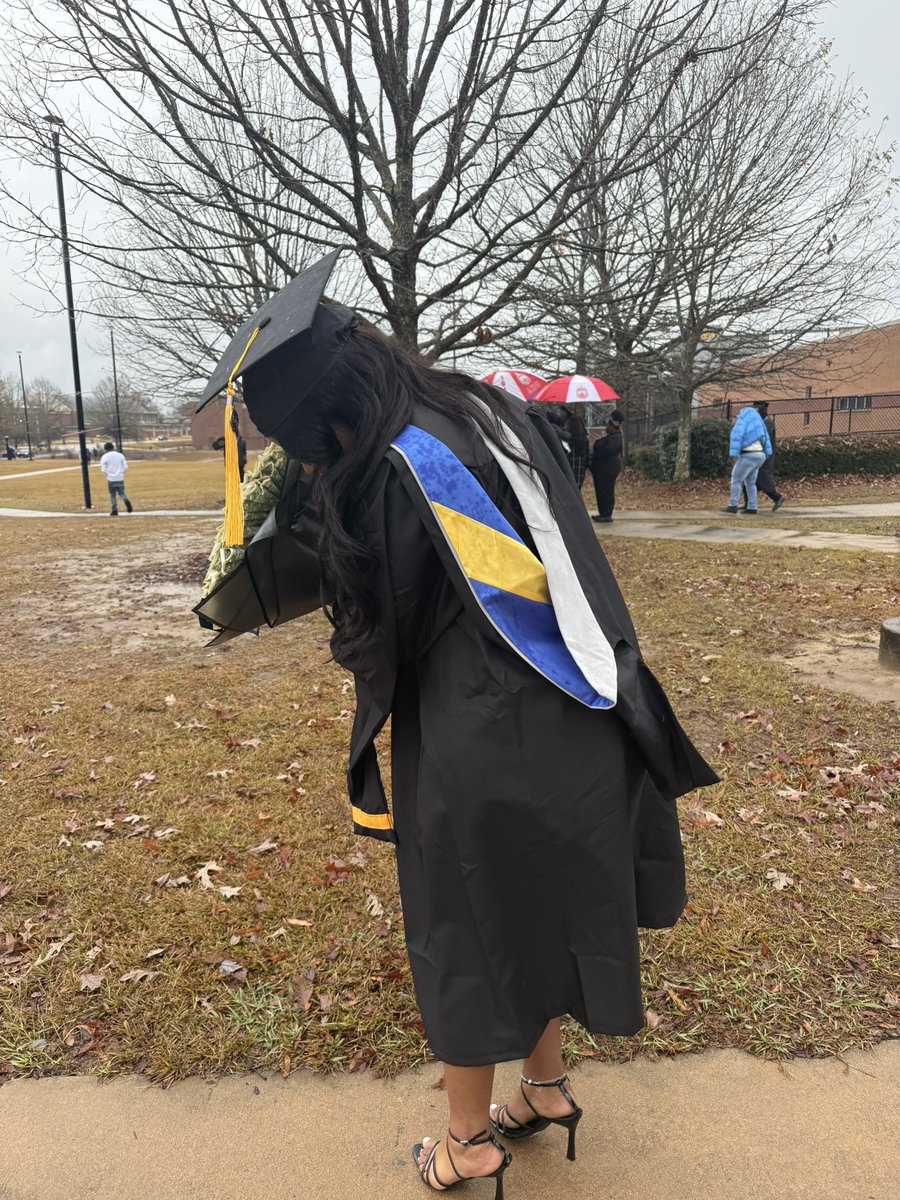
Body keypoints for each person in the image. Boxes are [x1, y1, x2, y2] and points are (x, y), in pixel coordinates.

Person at [193, 252, 717, 1197]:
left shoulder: (391, 467)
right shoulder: (482, 410)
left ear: (330, 416)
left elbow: (377, 637)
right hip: (580, 700)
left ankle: (467, 1142)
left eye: (310, 445)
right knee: (536, 901)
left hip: (483, 726)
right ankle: (545, 1086)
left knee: (465, 919)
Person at [722, 404, 772, 514]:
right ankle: (752, 507)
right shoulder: (759, 421)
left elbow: (736, 435)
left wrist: (734, 454)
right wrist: (768, 452)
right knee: (750, 483)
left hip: (748, 455)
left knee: (736, 480)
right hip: (760, 456)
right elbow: (766, 438)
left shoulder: (743, 418)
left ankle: (732, 505)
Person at [740, 401, 784, 512]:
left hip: (764, 457)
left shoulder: (768, 424)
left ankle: (777, 497)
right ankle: (748, 504)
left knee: (763, 480)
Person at [590, 408, 624, 523]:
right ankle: (603, 512)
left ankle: (606, 513)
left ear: (612, 425)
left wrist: (596, 453)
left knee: (606, 490)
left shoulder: (616, 438)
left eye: (608, 425)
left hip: (608, 468)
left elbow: (607, 451)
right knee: (601, 490)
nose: (606, 427)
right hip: (603, 468)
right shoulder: (612, 437)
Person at [99, 441, 133, 516]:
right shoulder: (120, 455)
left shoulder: (105, 457)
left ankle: (114, 510)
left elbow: (103, 469)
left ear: (106, 449)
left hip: (111, 479)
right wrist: (121, 473)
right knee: (122, 493)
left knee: (112, 495)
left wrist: (108, 474)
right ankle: (126, 500)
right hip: (120, 478)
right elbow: (125, 467)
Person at [561, 406, 589, 488]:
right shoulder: (584, 441)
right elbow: (587, 458)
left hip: (569, 474)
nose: (564, 427)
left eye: (566, 425)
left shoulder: (568, 442)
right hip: (580, 473)